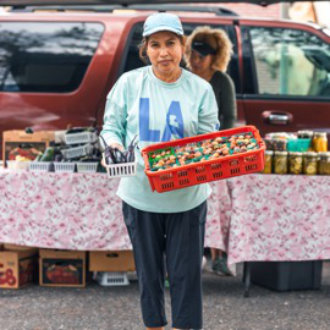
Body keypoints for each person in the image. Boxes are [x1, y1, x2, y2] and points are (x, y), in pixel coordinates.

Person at [101, 13, 219, 330]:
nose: (163, 52)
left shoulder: (200, 90)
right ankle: (153, 325)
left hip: (187, 197)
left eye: (171, 43)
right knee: (148, 274)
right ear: (146, 49)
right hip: (140, 195)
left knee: (186, 275)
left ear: (182, 46)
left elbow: (210, 141)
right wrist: (112, 146)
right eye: (155, 44)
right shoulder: (129, 83)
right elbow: (111, 128)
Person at [185, 26, 237, 276]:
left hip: (213, 151)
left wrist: (217, 146)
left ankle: (218, 254)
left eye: (201, 57)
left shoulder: (221, 81)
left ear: (214, 58)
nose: (195, 61)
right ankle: (190, 253)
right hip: (184, 150)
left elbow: (230, 117)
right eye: (193, 55)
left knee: (215, 200)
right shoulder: (183, 77)